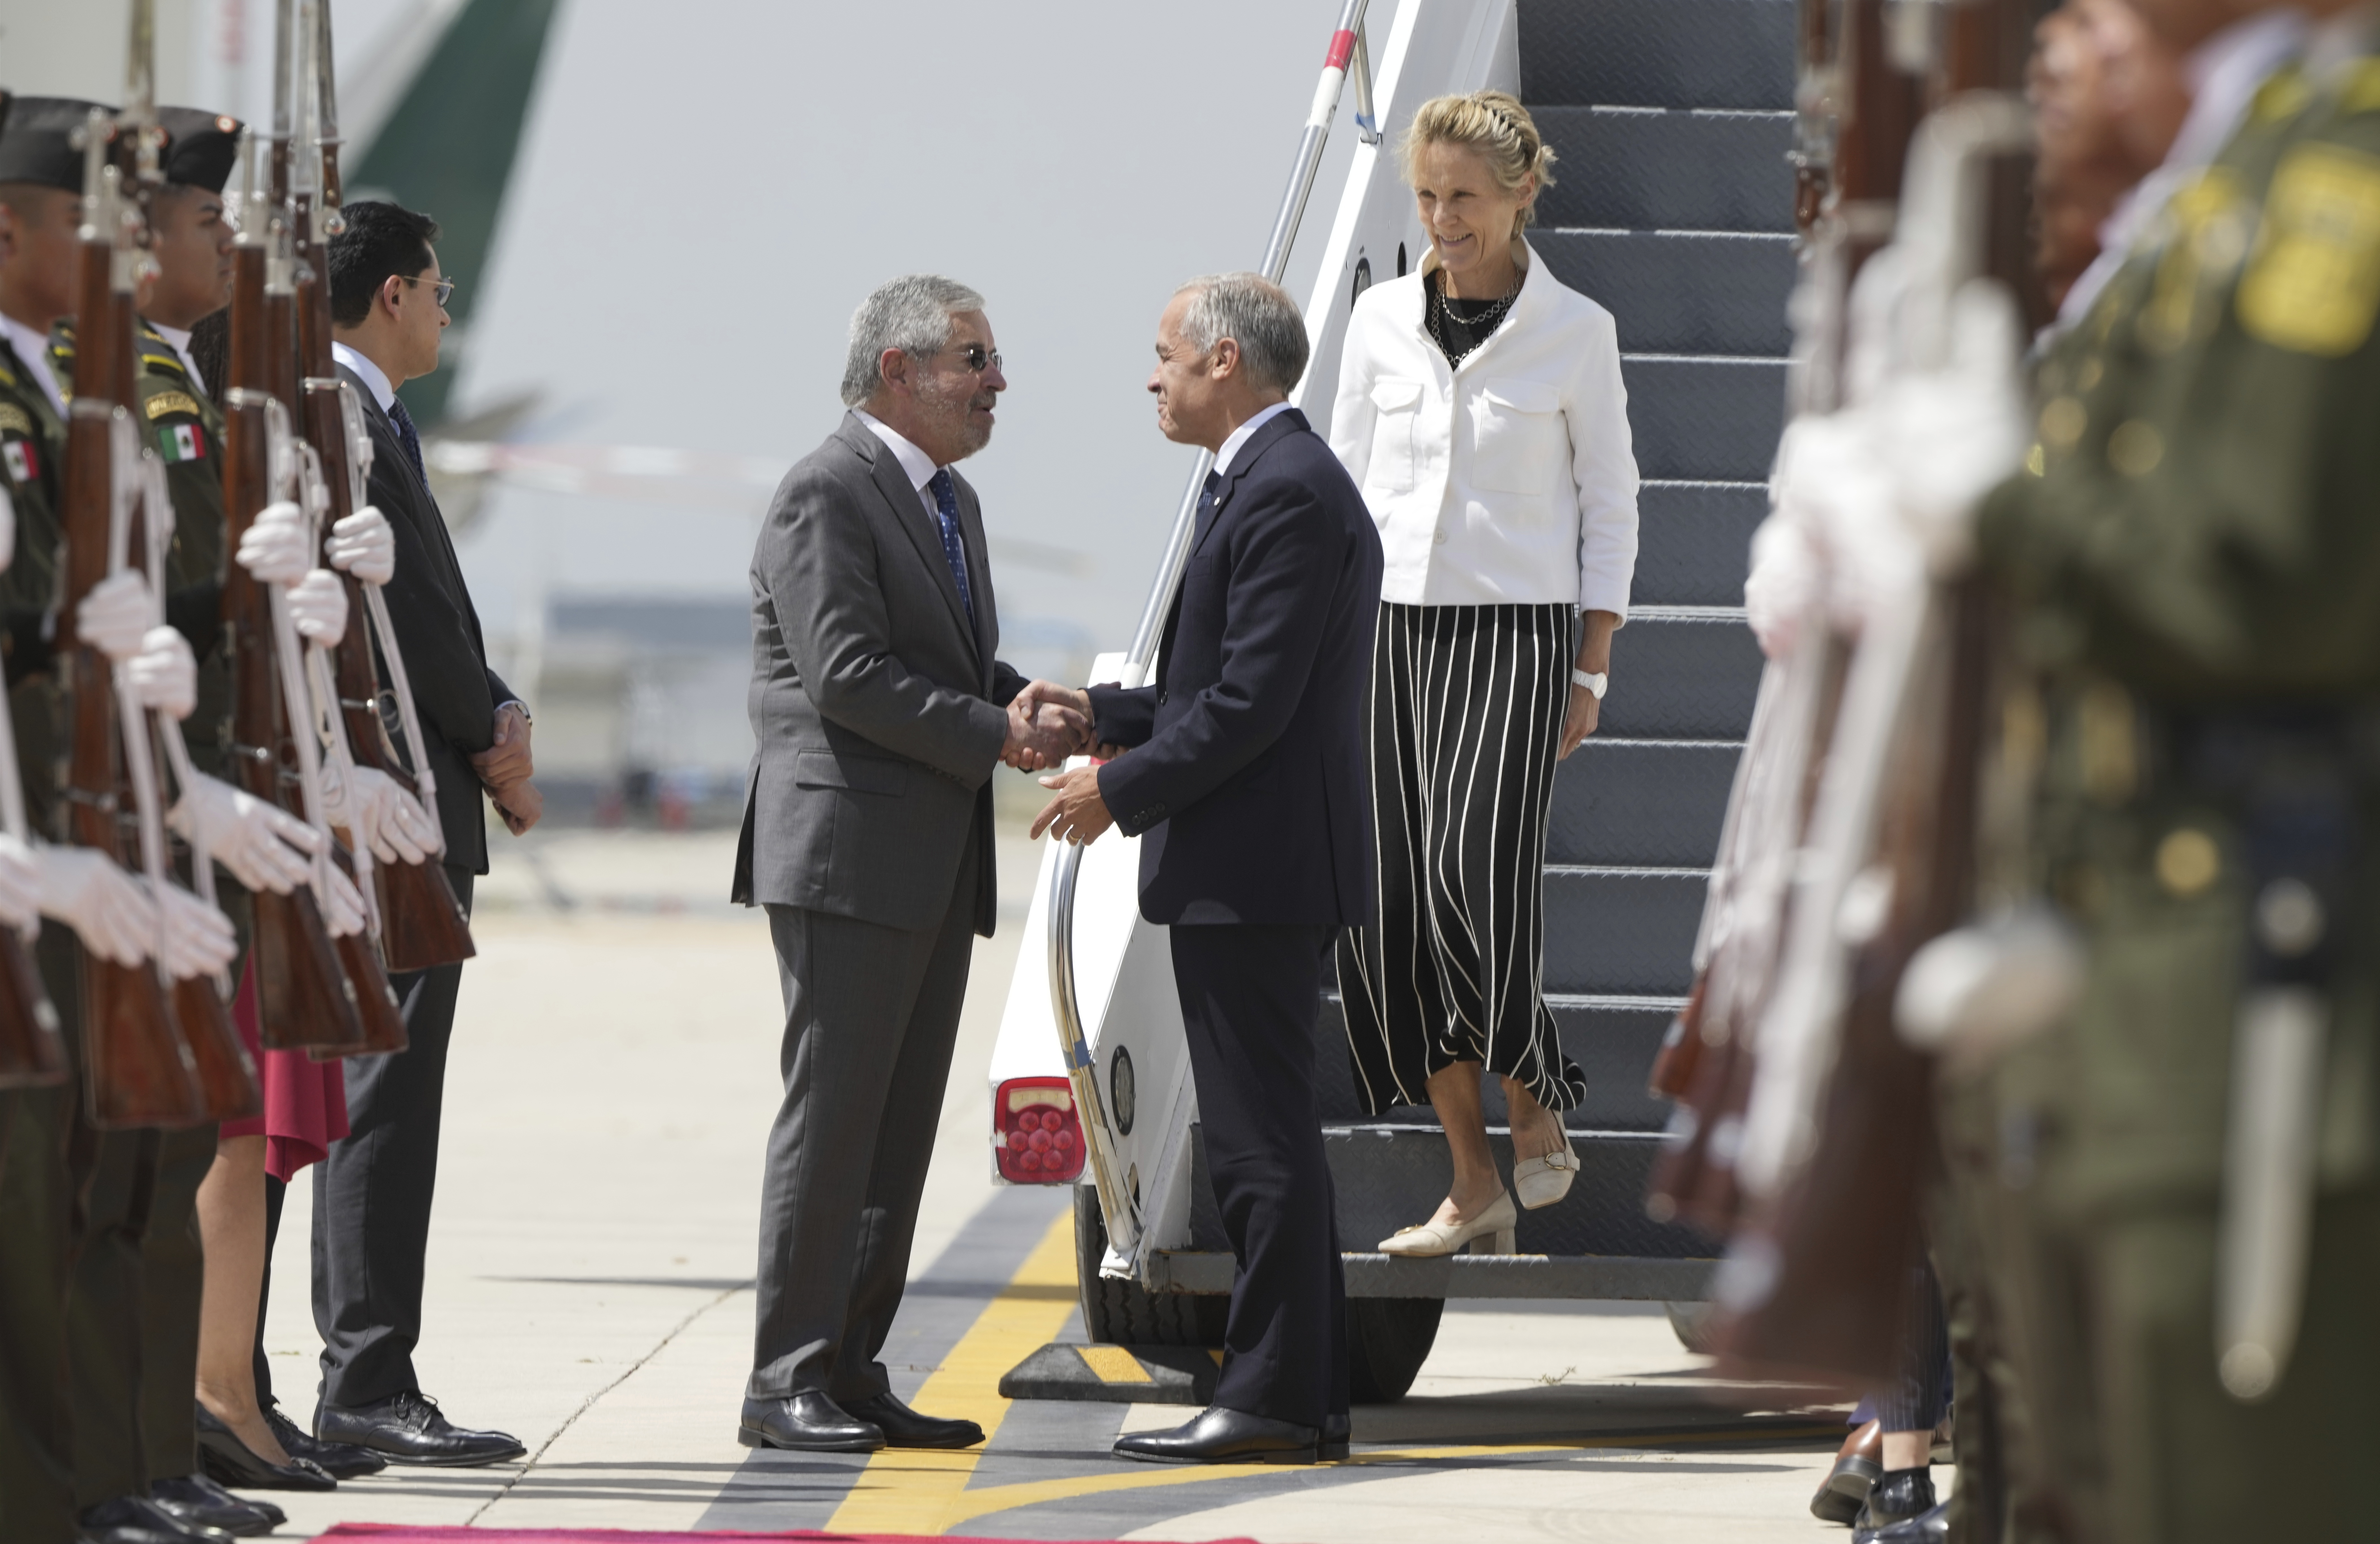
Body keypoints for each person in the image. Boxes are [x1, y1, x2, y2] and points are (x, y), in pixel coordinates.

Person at [1961, 2, 2380, 1541]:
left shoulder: (2333, 168)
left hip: (2256, 982)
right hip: (2138, 978)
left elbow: (2253, 583)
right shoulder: (2237, 172)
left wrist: (1994, 499)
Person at [1028, 272, 1383, 1465]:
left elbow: (1248, 705)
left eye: (1168, 356)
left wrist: (1111, 789)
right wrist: (1101, 716)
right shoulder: (1271, 481)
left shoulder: (1284, 492)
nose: (1153, 377)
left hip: (1258, 868)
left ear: (1225, 360)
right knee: (1263, 1140)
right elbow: (1215, 686)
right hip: (1252, 862)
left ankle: (1275, 1398)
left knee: (1256, 1146)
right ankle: (1302, 1394)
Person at [730, 273, 1080, 1454]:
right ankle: (784, 1378)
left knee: (893, 1134)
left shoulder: (947, 503)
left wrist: (1019, 700)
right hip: (846, 855)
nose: (996, 383)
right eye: (973, 360)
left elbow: (939, 660)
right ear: (900, 370)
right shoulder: (825, 492)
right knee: (832, 1125)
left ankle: (849, 1366)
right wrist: (997, 736)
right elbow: (845, 673)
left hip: (925, 858)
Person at [1323, 90, 1639, 1255]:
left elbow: (1611, 503)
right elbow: (1341, 490)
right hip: (1378, 636)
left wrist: (1592, 666)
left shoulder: (1578, 331)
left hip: (1515, 637)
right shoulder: (1373, 324)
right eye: (1425, 196)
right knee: (1385, 912)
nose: (1442, 218)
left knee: (1473, 877)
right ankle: (1472, 1177)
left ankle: (1532, 1087)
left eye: (1463, 196)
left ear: (1519, 195)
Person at [307, 198, 537, 1466]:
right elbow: (405, 627)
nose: (448, 307)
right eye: (437, 287)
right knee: (375, 1105)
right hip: (386, 808)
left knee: (358, 1101)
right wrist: (494, 723)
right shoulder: (341, 417)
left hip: (410, 796)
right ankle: (365, 1377)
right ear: (389, 294)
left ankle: (322, 1373)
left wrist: (489, 717)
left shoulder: (368, 417)